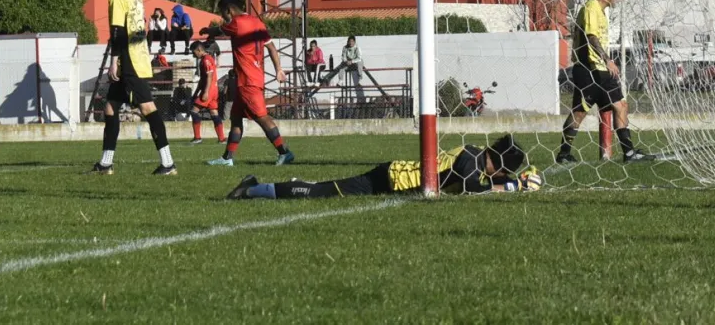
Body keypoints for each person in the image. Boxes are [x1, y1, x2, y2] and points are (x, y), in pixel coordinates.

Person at [226, 134, 541, 200]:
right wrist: (514, 186)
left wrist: (513, 184)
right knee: (322, 192)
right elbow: (472, 188)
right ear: (499, 165)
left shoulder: (475, 157)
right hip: (391, 178)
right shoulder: (471, 159)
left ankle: (263, 187)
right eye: (505, 172)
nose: (503, 177)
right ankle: (251, 189)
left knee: (327, 190)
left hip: (394, 178)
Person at [90, 0, 176, 176]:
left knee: (148, 108)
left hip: (129, 61)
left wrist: (113, 62)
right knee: (111, 107)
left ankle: (168, 163)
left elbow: (117, 32)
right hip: (139, 55)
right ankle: (105, 164)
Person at [555, 0, 649, 164]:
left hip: (597, 71)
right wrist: (607, 60)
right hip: (591, 69)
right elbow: (591, 37)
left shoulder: (601, 11)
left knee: (616, 106)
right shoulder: (592, 8)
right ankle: (565, 153)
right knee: (584, 112)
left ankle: (628, 152)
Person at [201, 0, 294, 166]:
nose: (223, 17)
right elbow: (271, 47)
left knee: (262, 117)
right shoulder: (257, 22)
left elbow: (220, 30)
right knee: (236, 118)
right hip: (252, 78)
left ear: (229, 10)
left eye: (223, 13)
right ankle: (227, 158)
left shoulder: (237, 23)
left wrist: (208, 30)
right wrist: (278, 69)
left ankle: (284, 152)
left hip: (248, 80)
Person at [189, 41, 226, 144]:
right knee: (214, 113)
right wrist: (196, 92)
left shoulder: (206, 60)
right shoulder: (206, 59)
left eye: (194, 52)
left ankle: (197, 138)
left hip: (209, 90)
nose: (193, 55)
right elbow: (202, 79)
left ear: (199, 50)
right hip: (213, 90)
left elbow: (209, 76)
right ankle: (222, 139)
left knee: (194, 111)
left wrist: (205, 92)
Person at [339, 35, 365, 102]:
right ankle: (340, 80)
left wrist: (352, 61)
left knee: (360, 62)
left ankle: (360, 75)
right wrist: (346, 61)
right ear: (347, 42)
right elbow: (343, 56)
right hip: (348, 62)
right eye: (349, 41)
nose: (351, 43)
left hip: (355, 62)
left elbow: (359, 58)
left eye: (352, 41)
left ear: (354, 42)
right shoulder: (345, 47)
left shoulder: (357, 48)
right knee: (341, 65)